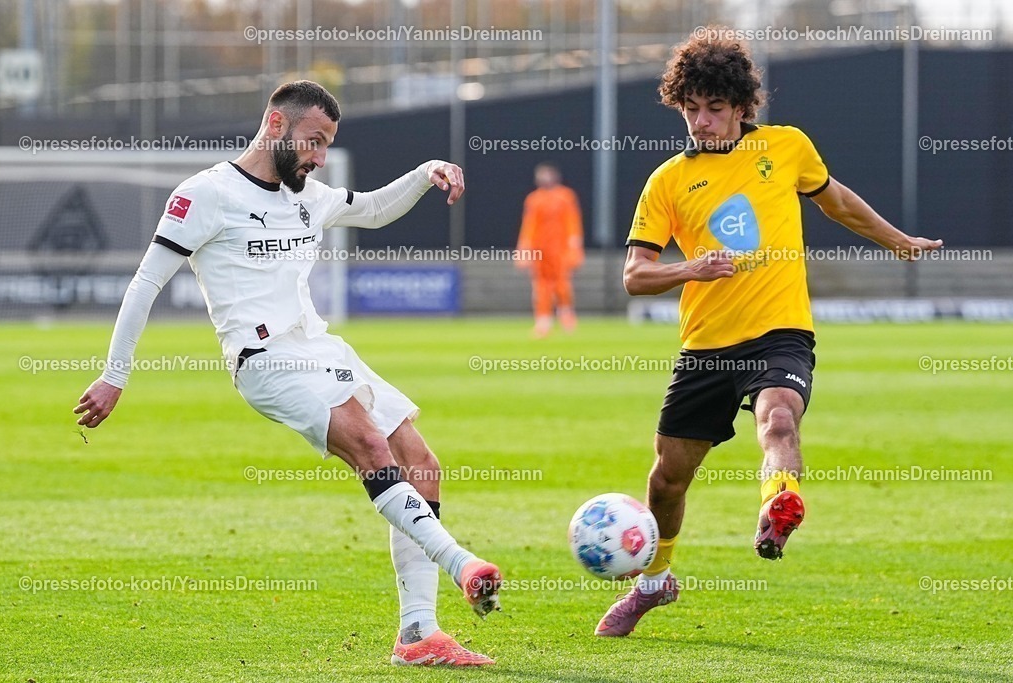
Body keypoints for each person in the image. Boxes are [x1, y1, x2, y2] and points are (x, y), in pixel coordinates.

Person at [73, 80, 502, 666]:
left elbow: (374, 209)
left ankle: (418, 634)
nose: (320, 157)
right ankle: (462, 565)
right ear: (276, 124)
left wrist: (426, 171)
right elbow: (146, 283)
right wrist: (114, 374)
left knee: (422, 466)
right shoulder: (207, 193)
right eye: (314, 141)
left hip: (321, 346)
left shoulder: (309, 196)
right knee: (373, 448)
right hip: (263, 358)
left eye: (327, 146)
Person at [595, 31, 943, 637]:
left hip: (779, 331)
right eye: (691, 109)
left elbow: (837, 202)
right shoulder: (667, 182)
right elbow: (635, 276)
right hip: (705, 346)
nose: (701, 122)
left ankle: (776, 507)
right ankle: (655, 581)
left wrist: (898, 240)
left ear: (740, 107)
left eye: (714, 109)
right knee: (667, 478)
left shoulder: (785, 147)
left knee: (779, 421)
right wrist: (691, 268)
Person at [516, 162, 584, 337]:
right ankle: (543, 320)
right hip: (540, 250)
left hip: (560, 249)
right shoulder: (534, 199)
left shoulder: (566, 196)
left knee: (562, 284)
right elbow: (529, 226)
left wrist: (574, 246)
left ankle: (566, 315)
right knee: (541, 287)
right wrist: (523, 250)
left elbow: (572, 223)